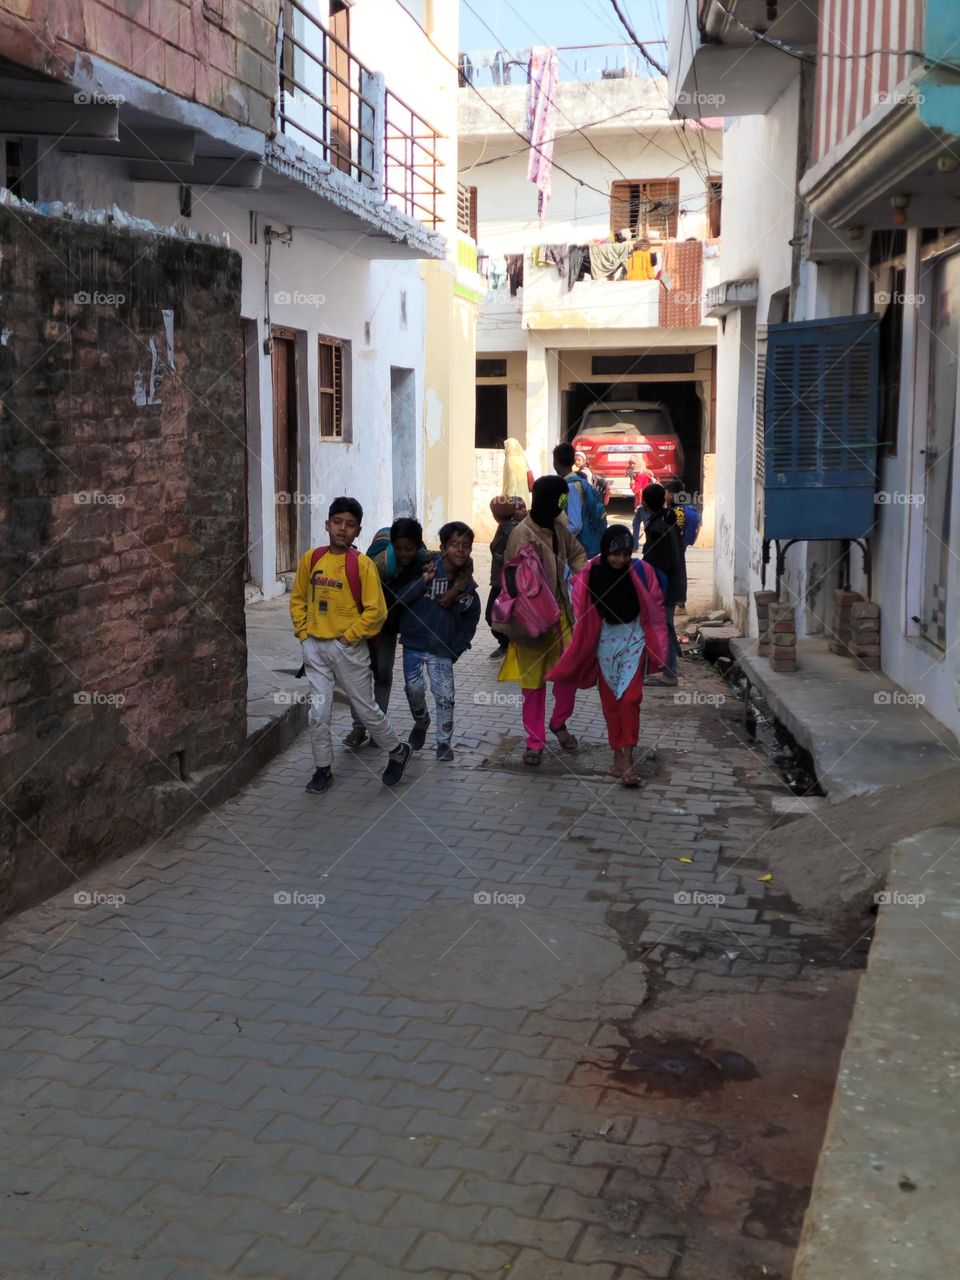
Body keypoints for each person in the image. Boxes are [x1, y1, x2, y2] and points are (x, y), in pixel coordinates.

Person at [289, 497, 412, 793]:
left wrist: (349, 636)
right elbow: (298, 600)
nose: (342, 529)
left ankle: (397, 751)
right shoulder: (312, 559)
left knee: (365, 709)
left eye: (350, 524)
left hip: (348, 649)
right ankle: (322, 769)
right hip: (314, 648)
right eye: (337, 522)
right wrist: (304, 634)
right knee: (318, 713)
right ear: (327, 524)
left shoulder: (362, 565)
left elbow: (376, 611)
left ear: (358, 531)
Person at [548, 525, 667, 787]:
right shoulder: (591, 572)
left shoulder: (640, 571)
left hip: (634, 642)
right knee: (612, 704)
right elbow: (579, 605)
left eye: (626, 553)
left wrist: (658, 642)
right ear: (605, 551)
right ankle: (617, 755)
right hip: (604, 645)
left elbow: (655, 603)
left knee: (631, 699)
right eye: (616, 553)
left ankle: (628, 760)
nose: (621, 559)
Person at [498, 475, 586, 765]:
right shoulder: (520, 535)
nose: (564, 505)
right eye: (561, 499)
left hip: (562, 615)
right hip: (530, 621)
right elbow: (513, 581)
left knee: (568, 673)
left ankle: (558, 722)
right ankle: (534, 742)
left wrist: (586, 578)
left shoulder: (559, 528)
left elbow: (577, 555)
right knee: (533, 683)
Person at [394, 521, 481, 762]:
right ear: (442, 547)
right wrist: (422, 581)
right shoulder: (426, 571)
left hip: (443, 649)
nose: (460, 550)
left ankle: (444, 742)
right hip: (414, 644)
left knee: (445, 697)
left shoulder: (467, 587)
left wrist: (459, 645)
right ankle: (421, 721)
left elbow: (472, 616)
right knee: (414, 690)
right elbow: (401, 600)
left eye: (466, 546)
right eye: (454, 544)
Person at [343, 517, 426, 750]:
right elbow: (359, 595)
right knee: (359, 674)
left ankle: (378, 730)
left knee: (383, 674)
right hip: (364, 621)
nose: (404, 554)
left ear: (418, 546)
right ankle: (358, 728)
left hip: (388, 625)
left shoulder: (423, 559)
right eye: (399, 548)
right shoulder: (380, 564)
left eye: (409, 549)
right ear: (392, 546)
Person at [640, 483, 686, 687]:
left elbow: (654, 565)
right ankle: (667, 666)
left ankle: (669, 673)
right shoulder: (667, 519)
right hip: (673, 582)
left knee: (665, 626)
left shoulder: (658, 528)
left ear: (645, 503)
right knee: (666, 626)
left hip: (664, 586)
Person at [486, 494, 526, 659]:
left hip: (505, 582)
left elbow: (515, 556)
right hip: (501, 581)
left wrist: (501, 557)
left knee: (492, 615)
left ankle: (508, 644)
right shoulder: (507, 527)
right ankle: (509, 644)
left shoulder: (510, 531)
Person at [554, 441, 607, 557]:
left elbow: (575, 524)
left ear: (556, 462)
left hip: (576, 545)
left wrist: (556, 539)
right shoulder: (578, 481)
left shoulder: (571, 487)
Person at [664, 479, 702, 614]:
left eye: (666, 493)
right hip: (681, 546)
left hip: (675, 547)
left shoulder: (676, 510)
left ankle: (678, 604)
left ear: (672, 494)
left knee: (675, 574)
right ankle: (680, 604)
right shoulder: (685, 507)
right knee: (680, 572)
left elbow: (675, 531)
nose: (664, 496)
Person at [627, 458, 656, 550]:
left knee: (646, 525)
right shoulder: (645, 474)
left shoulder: (641, 476)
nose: (631, 465)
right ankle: (635, 545)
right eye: (630, 463)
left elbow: (635, 490)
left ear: (639, 464)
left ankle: (649, 545)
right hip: (643, 504)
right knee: (636, 524)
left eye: (633, 463)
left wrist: (632, 483)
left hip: (643, 505)